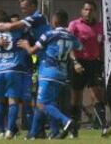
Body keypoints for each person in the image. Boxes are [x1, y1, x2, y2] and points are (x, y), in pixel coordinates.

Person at [18, 9, 83, 140]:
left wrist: (25, 45)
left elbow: (32, 51)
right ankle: (37, 133)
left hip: (48, 72)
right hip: (62, 74)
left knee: (42, 104)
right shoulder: (71, 36)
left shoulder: (48, 34)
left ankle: (67, 121)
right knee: (48, 104)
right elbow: (80, 47)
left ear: (54, 21)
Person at [68, 0, 111, 138]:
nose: (88, 12)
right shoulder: (74, 25)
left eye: (91, 10)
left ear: (95, 12)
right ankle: (73, 129)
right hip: (78, 63)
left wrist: (103, 62)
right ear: (82, 11)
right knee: (76, 97)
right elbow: (69, 45)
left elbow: (102, 46)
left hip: (93, 64)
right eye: (86, 9)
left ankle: (104, 127)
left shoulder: (100, 27)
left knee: (96, 94)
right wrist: (75, 62)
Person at [0, 9, 32, 140]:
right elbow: (28, 31)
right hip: (13, 70)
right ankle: (10, 131)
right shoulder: (18, 32)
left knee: (0, 102)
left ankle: (1, 131)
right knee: (13, 102)